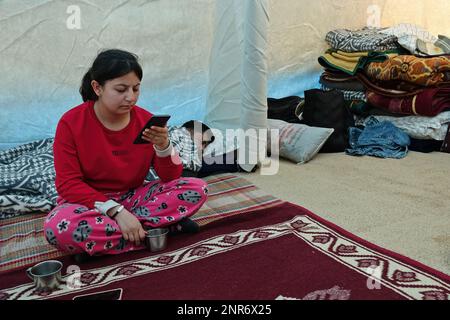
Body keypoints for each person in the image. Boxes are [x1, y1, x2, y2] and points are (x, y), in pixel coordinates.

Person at [44, 49, 208, 259]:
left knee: (197, 188)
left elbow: (171, 177)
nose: (130, 97)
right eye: (121, 89)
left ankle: (102, 243)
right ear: (97, 87)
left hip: (134, 197)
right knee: (57, 226)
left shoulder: (144, 121)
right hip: (89, 203)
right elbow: (67, 184)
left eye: (136, 89)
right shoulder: (71, 123)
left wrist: (164, 146)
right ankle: (157, 232)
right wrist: (117, 212)